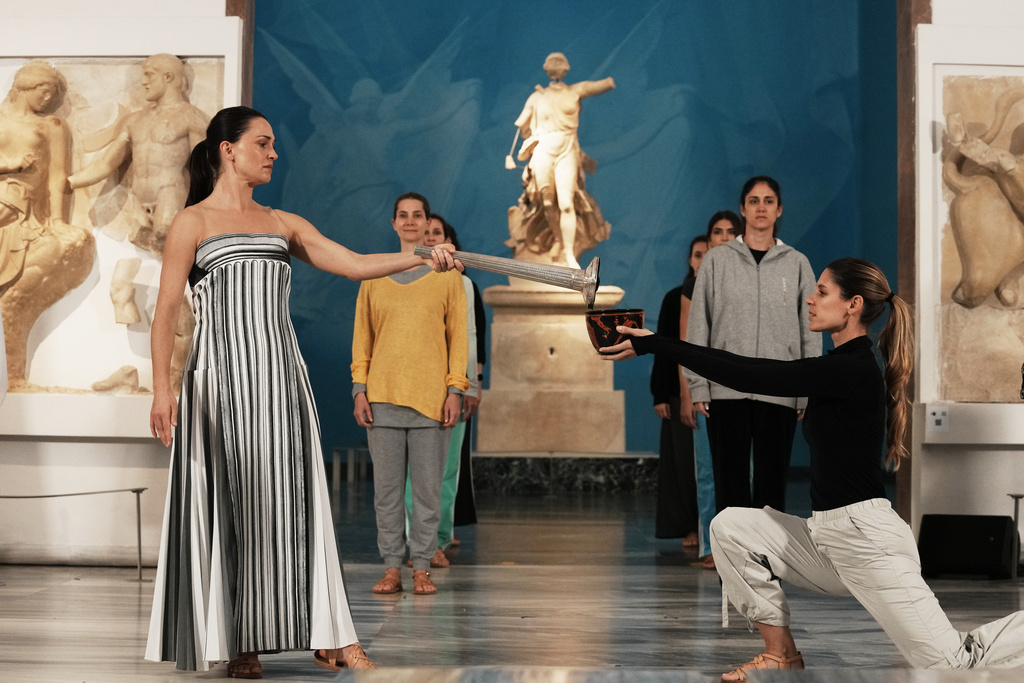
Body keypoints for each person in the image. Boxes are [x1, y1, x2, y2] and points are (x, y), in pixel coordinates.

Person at [145, 106, 459, 678]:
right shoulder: (192, 223)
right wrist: (163, 390)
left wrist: (421, 256)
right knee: (234, 510)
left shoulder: (282, 222)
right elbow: (166, 309)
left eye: (272, 144)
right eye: (262, 143)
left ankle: (335, 634)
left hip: (282, 384)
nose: (273, 153)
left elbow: (357, 264)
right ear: (228, 150)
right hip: (220, 386)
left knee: (300, 507)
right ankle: (242, 643)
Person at [604, 258, 1024, 677]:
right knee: (730, 525)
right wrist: (656, 345)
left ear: (852, 305)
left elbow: (750, 373)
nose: (810, 298)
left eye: (822, 292)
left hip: (868, 545)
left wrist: (656, 343)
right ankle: (781, 654)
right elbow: (750, 370)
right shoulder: (840, 365)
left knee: (955, 664)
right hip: (825, 538)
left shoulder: (851, 369)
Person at [352, 193, 468, 596]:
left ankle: (421, 567)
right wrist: (359, 389)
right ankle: (391, 568)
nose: (410, 221)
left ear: (426, 222)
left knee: (427, 492)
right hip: (382, 397)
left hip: (431, 400)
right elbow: (362, 338)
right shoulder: (374, 274)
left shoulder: (448, 276)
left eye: (417, 216)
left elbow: (458, 340)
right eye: (403, 215)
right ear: (393, 223)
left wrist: (456, 389)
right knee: (386, 493)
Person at [687, 177, 819, 523]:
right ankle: (733, 573)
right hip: (726, 391)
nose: (761, 207)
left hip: (780, 390)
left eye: (769, 200)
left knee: (771, 489)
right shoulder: (717, 262)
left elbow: (811, 327)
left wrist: (805, 389)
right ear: (743, 208)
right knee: (729, 487)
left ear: (779, 209)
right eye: (754, 200)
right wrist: (699, 384)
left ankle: (766, 569)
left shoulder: (798, 263)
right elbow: (699, 324)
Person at [0, 61, 94, 390]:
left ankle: (13, 376)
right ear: (25, 87)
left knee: (13, 297)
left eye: (53, 92)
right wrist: (10, 164)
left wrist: (56, 221)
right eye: (43, 89)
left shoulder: (53, 126)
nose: (48, 97)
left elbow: (58, 176)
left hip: (24, 217)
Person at [405, 214, 481, 557]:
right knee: (414, 474)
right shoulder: (401, 277)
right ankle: (416, 543)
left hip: (451, 387)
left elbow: (469, 338)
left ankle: (439, 539)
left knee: (447, 470)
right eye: (428, 232)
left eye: (439, 233)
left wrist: (468, 387)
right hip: (412, 386)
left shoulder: (461, 283)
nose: (433, 238)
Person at [509, 52, 615, 269]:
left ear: (565, 69)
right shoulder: (536, 97)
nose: (557, 68)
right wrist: (512, 155)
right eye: (553, 65)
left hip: (566, 149)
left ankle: (568, 253)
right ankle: (557, 241)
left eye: (560, 65)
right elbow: (521, 126)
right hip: (543, 150)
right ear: (547, 69)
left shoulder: (574, 91)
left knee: (566, 202)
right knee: (547, 203)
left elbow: (601, 85)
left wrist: (611, 79)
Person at [693, 209, 742, 569]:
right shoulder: (699, 280)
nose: (724, 238)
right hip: (712, 387)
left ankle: (748, 546)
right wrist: (693, 388)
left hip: (749, 386)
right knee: (711, 471)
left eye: (730, 232)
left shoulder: (751, 274)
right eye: (718, 232)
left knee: (748, 473)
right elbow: (690, 337)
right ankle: (713, 546)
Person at [650, 234, 706, 546]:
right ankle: (689, 526)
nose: (701, 260)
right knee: (682, 465)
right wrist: (660, 394)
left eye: (707, 254)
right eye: (697, 254)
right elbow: (665, 347)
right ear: (690, 259)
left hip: (711, 391)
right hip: (677, 393)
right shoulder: (675, 297)